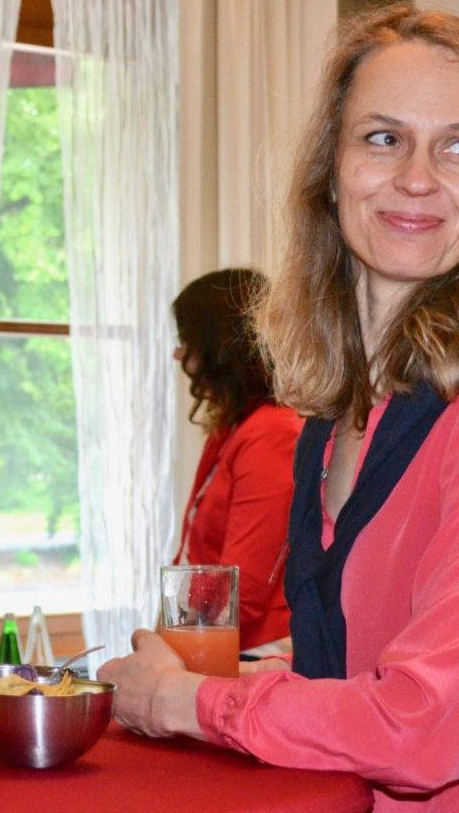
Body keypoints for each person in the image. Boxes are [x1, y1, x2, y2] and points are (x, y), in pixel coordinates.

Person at [99, 3, 459, 809]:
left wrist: (184, 701)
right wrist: (246, 673)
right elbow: (365, 660)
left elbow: (424, 728)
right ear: (331, 168)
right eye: (383, 138)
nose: (417, 176)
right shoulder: (341, 411)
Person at [170, 269, 300, 650]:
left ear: (219, 347)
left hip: (251, 654)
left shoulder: (270, 432)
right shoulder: (234, 430)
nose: (179, 354)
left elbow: (240, 591)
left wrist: (173, 655)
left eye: (186, 340)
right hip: (219, 643)